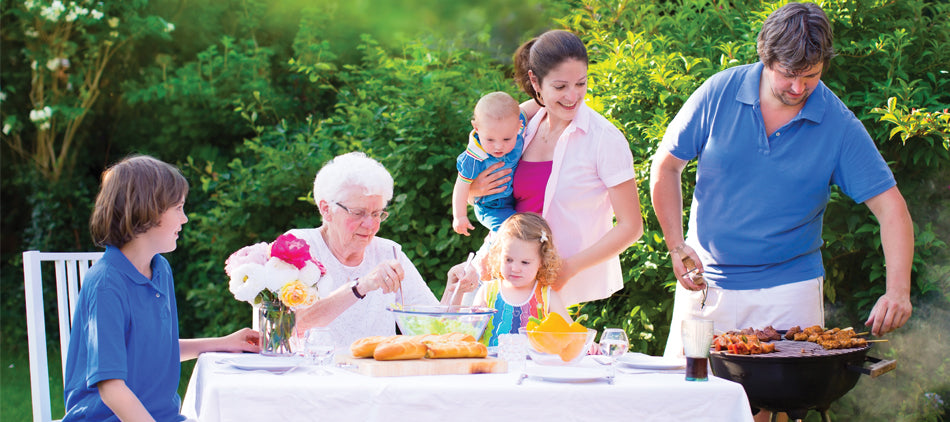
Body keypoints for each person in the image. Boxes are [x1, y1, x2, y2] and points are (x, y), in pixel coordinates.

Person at [651, 1, 913, 364]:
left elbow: (891, 208)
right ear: (766, 56)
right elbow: (666, 167)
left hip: (791, 291)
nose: (797, 87)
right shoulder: (718, 92)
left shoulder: (837, 123)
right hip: (706, 285)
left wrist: (898, 290)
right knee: (689, 402)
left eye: (811, 76)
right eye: (788, 73)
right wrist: (676, 244)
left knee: (773, 407)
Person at [453, 30, 644, 307]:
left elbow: (631, 227)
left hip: (564, 288)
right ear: (535, 81)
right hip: (508, 275)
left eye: (581, 83)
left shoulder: (604, 139)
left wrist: (569, 267)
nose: (572, 96)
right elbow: (478, 163)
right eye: (560, 86)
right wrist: (474, 191)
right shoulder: (522, 126)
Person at [63, 155, 260, 422]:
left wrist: (224, 343)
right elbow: (111, 388)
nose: (185, 218)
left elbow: (155, 349)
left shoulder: (160, 269)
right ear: (147, 210)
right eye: (178, 208)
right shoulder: (106, 283)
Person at [290, 152, 476, 350]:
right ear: (326, 209)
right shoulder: (298, 247)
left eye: (377, 213)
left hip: (377, 376)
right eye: (358, 213)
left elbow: (434, 332)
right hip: (313, 376)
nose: (370, 225)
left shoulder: (390, 253)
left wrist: (453, 289)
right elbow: (291, 324)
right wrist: (361, 286)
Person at [473, 213, 571, 347]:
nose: (515, 268)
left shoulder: (547, 296)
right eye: (508, 259)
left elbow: (570, 332)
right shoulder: (487, 292)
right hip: (492, 365)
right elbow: (471, 333)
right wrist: (475, 318)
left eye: (525, 262)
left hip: (533, 366)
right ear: (499, 255)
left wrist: (586, 343)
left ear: (542, 262)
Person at [452, 91, 527, 235]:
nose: (499, 147)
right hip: (492, 206)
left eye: (506, 139)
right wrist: (460, 216)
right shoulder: (474, 157)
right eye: (490, 140)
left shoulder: (516, 129)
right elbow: (461, 186)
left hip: (514, 198)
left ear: (519, 126)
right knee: (510, 233)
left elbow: (537, 105)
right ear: (477, 128)